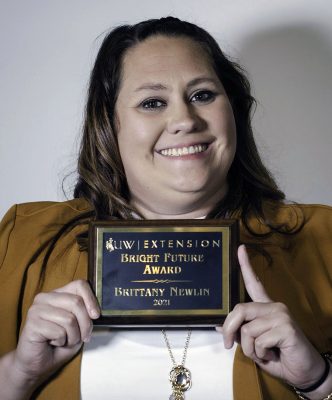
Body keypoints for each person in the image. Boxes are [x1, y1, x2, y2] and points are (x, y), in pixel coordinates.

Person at [0, 16, 331, 400]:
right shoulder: (22, 243)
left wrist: (319, 380)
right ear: (109, 125)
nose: (184, 120)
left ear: (233, 110)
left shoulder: (322, 240)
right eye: (152, 102)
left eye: (202, 95)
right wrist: (18, 373)